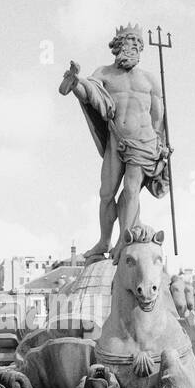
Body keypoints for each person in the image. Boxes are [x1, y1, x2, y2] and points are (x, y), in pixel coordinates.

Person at [59, 23, 170, 261]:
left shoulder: (150, 80)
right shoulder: (104, 73)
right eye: (128, 43)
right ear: (118, 47)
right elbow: (93, 96)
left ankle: (123, 241)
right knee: (106, 193)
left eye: (137, 45)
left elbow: (158, 117)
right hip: (116, 141)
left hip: (143, 143)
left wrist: (161, 146)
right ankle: (104, 241)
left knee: (131, 189)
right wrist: (77, 83)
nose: (133, 48)